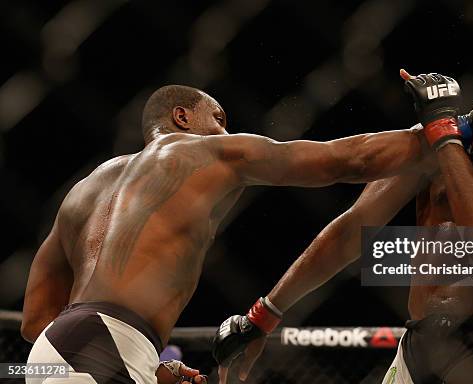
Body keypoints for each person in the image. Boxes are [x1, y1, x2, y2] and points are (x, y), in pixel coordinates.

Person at [213, 50, 473, 384]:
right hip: (416, 344)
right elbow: (354, 227)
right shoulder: (454, 142)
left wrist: (443, 133)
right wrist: (265, 314)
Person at [20, 84, 437, 383]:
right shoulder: (206, 152)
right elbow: (345, 161)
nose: (226, 131)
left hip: (50, 354)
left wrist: (145, 364)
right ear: (182, 116)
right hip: (107, 343)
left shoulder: (84, 189)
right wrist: (444, 130)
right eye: (218, 119)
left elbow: (35, 320)